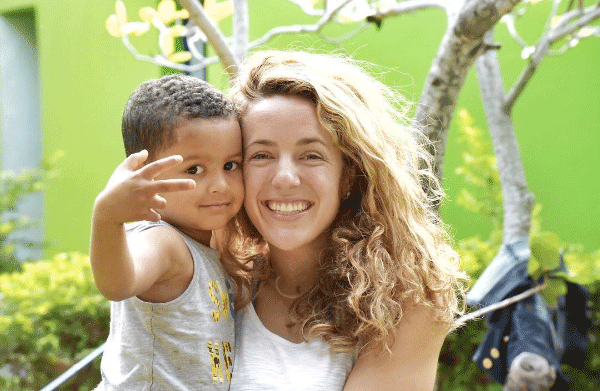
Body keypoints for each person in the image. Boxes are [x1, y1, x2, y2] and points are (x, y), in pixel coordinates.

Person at [227, 50, 466, 390]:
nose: (284, 178)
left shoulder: (407, 302)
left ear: (349, 175)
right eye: (261, 155)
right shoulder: (219, 277)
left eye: (311, 155)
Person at [90, 74, 249, 390]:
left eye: (231, 165)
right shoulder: (163, 241)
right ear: (141, 174)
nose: (220, 185)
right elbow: (118, 283)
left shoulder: (208, 244)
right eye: (194, 169)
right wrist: (107, 218)